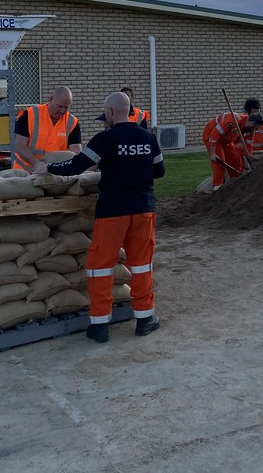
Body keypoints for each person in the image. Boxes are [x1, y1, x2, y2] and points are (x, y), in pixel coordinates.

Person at [35, 92, 165, 343]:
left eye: (104, 115)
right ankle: (145, 319)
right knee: (141, 265)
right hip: (143, 209)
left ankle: (99, 325)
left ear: (110, 112)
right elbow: (159, 171)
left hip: (112, 211)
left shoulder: (106, 138)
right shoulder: (148, 138)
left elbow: (77, 165)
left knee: (100, 267)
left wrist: (48, 168)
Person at [12, 86, 82, 171]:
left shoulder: (72, 122)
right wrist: (36, 164)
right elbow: (19, 146)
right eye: (59, 106)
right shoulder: (30, 115)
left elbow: (76, 152)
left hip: (54, 174)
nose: (63, 111)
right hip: (24, 172)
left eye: (66, 108)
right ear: (50, 99)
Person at [202, 110, 263, 190]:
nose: (255, 130)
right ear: (252, 123)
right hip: (212, 136)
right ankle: (217, 187)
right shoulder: (233, 121)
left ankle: (234, 183)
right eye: (256, 128)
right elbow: (214, 134)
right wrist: (213, 153)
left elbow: (246, 149)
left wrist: (246, 168)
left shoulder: (249, 131)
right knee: (219, 161)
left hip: (227, 140)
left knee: (235, 160)